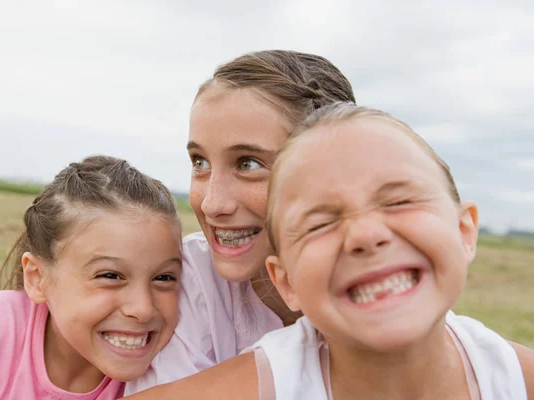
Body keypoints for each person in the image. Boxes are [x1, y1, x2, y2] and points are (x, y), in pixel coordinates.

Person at [129, 103, 534, 399]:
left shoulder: (516, 381)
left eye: (398, 201)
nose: (365, 235)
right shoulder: (261, 387)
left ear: (464, 230)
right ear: (285, 281)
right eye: (320, 222)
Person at [123, 50, 357, 394]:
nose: (212, 204)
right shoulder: (185, 277)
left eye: (248, 164)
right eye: (199, 162)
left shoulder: (381, 282)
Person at [0, 156, 184, 399]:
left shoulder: (171, 372)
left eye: (163, 277)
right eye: (110, 275)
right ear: (37, 277)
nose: (142, 309)